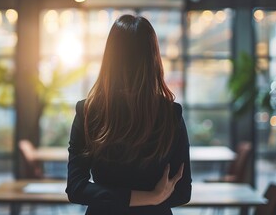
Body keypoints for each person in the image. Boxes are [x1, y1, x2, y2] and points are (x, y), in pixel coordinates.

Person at [66, 14, 192, 215]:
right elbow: (182, 192)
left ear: (110, 59)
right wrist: (152, 197)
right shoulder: (170, 113)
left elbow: (76, 188)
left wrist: (123, 198)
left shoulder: (88, 110)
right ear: (153, 58)